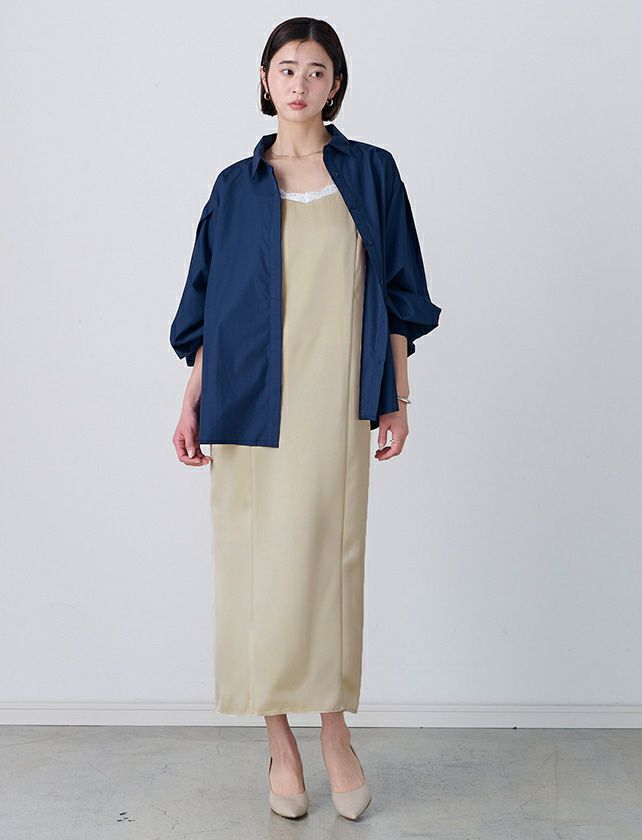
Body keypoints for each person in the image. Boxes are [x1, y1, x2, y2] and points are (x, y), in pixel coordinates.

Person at [169, 17, 441, 821]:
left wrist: (396, 397)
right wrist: (191, 396)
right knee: (256, 570)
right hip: (247, 401)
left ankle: (335, 734)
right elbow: (207, 305)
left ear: (335, 85)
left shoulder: (371, 173)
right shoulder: (235, 187)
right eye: (286, 68)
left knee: (329, 564)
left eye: (316, 70)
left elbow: (399, 289)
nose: (300, 83)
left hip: (333, 401)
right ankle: (279, 742)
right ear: (265, 80)